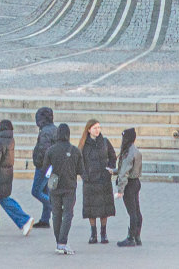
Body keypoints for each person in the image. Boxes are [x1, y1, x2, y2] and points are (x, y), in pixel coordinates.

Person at [42, 123, 81, 254]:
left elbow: (44, 169)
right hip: (70, 186)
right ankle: (62, 242)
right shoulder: (75, 150)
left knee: (56, 214)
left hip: (55, 186)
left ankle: (59, 242)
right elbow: (81, 170)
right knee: (68, 214)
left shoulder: (51, 150)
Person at [79, 120, 117, 245]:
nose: (98, 130)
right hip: (90, 181)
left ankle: (103, 233)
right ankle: (93, 233)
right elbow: (80, 161)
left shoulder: (105, 142)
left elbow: (113, 156)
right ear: (89, 130)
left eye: (99, 127)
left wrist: (109, 169)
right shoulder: (84, 145)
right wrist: (84, 175)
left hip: (103, 180)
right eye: (95, 128)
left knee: (104, 208)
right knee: (91, 209)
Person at [115, 127, 143, 247]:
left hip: (129, 184)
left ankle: (130, 237)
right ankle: (137, 236)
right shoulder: (136, 151)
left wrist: (120, 190)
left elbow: (124, 172)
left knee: (132, 212)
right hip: (136, 181)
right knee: (136, 210)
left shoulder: (128, 153)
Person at [31, 107, 59, 227]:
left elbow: (43, 150)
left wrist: (38, 162)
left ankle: (54, 208)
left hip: (44, 166)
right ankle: (45, 219)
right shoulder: (53, 129)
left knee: (36, 191)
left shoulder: (46, 131)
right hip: (50, 166)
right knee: (45, 191)